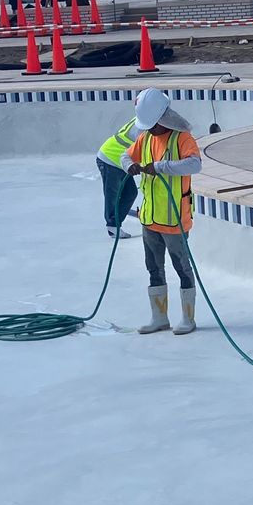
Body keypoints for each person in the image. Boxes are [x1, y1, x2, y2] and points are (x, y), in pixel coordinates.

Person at [124, 87, 204, 335]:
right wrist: (130, 166)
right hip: (149, 219)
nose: (149, 130)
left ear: (163, 118)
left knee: (182, 268)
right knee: (154, 269)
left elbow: (195, 164)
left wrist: (161, 166)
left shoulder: (181, 139)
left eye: (153, 125)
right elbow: (125, 156)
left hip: (174, 220)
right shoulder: (146, 137)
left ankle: (187, 319)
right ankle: (159, 318)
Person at [94, 110, 140, 239]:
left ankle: (114, 224)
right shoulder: (145, 127)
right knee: (112, 194)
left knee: (130, 193)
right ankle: (113, 227)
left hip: (122, 162)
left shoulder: (143, 119)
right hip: (109, 159)